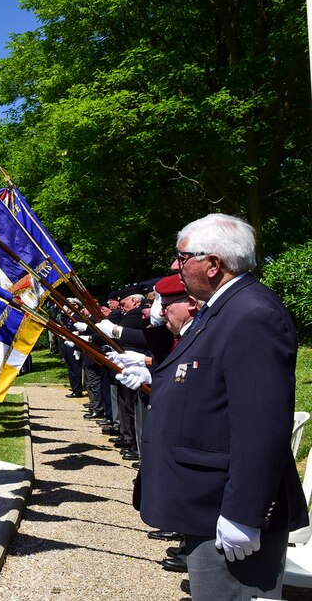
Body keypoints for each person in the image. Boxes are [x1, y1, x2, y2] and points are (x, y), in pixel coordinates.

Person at [115, 214, 308, 599]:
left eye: (182, 256)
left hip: (226, 504)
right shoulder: (221, 309)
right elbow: (208, 383)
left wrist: (245, 513)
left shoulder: (251, 313)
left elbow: (262, 424)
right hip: (205, 500)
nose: (175, 266)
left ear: (213, 264)